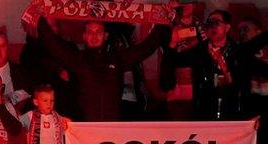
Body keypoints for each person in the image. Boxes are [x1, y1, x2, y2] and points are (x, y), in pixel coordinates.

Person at [35, 17, 170, 121]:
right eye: (90, 32)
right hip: (84, 127)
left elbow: (146, 48)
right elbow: (52, 43)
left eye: (98, 32)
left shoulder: (117, 58)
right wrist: (40, 16)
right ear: (84, 36)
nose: (94, 36)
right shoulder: (77, 59)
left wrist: (161, 20)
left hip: (112, 126)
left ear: (105, 35)